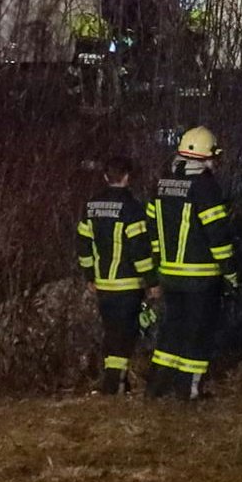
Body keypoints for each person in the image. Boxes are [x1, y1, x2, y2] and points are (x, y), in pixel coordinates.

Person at [146, 125, 241, 401]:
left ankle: (156, 386)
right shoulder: (206, 187)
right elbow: (218, 236)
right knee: (198, 333)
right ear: (206, 156)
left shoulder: (161, 184)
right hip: (201, 277)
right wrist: (230, 271)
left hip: (169, 275)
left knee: (171, 329)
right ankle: (188, 390)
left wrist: (156, 266)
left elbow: (152, 228)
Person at [74, 153, 157, 395]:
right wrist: (151, 281)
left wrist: (89, 275)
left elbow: (83, 243)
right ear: (127, 177)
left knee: (111, 334)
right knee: (124, 336)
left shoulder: (91, 206)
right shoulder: (132, 208)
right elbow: (140, 251)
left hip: (103, 285)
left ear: (105, 176)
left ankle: (113, 382)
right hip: (128, 284)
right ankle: (115, 386)